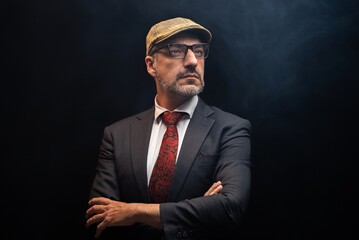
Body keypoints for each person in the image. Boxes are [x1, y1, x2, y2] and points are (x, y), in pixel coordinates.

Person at [85, 17, 251, 240]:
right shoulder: (117, 135)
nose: (192, 60)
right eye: (176, 51)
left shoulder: (230, 129)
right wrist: (201, 210)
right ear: (151, 65)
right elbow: (101, 219)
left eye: (199, 51)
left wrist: (132, 211)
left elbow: (229, 209)